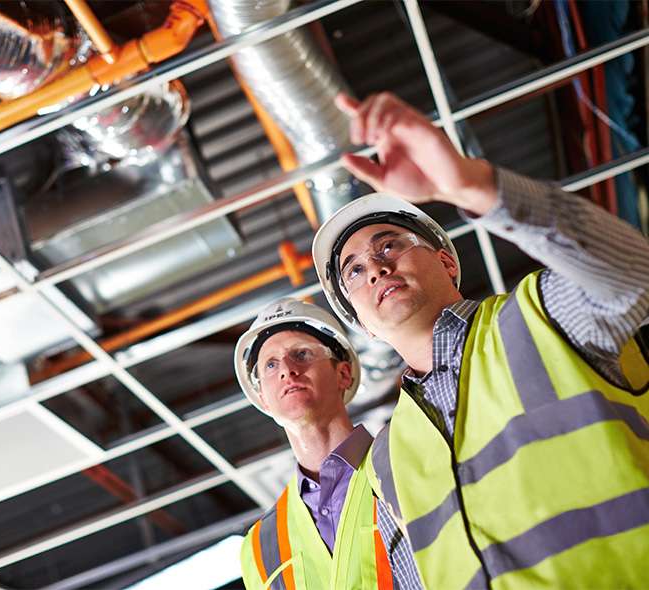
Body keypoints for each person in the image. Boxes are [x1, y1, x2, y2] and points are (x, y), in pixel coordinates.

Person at [310, 91, 649, 589]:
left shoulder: (539, 317)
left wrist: (472, 187)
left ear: (447, 262)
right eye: (354, 271)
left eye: (390, 245)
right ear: (360, 322)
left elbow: (633, 276)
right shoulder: (385, 459)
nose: (376, 267)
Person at [235, 297, 423, 589]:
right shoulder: (259, 547)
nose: (286, 369)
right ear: (263, 400)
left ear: (343, 374)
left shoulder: (409, 459)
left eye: (301, 354)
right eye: (270, 365)